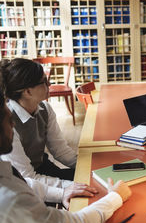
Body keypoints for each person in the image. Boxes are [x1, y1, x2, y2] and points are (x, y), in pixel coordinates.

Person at [0, 90, 132, 223]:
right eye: (8, 119)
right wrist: (115, 197)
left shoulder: (7, 173)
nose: (13, 124)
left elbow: (27, 182)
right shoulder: (11, 200)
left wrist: (62, 192)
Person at [0, 58, 85, 195]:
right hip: (21, 183)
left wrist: (89, 167)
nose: (50, 84)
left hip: (41, 168)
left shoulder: (45, 109)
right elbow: (27, 178)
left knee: (90, 178)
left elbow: (61, 151)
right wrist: (70, 186)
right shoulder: (8, 121)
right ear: (27, 92)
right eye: (44, 82)